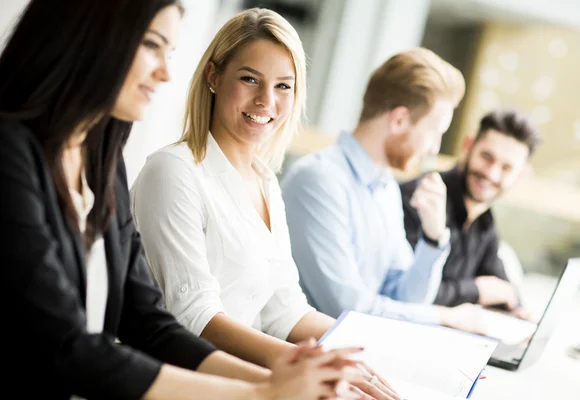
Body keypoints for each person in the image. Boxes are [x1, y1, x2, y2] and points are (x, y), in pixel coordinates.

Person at [0, 1, 363, 399]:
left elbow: (148, 321)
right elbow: (66, 347)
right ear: (89, 39)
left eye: (169, 53)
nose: (166, 72)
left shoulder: (102, 163)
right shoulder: (11, 153)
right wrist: (260, 392)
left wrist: (276, 380)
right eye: (152, 47)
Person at [131, 7, 397, 400]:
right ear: (214, 77)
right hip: (186, 384)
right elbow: (194, 317)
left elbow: (284, 308)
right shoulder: (173, 171)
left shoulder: (266, 181)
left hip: (246, 382)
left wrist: (379, 349)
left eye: (283, 86)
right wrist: (308, 368)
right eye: (249, 79)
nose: (265, 100)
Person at [281, 48, 483, 331]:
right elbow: (348, 308)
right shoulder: (318, 180)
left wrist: (433, 237)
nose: (434, 148)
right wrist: (444, 317)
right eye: (435, 132)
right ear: (399, 120)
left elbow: (406, 297)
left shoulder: (385, 188)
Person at [401, 109, 542, 313]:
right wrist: (477, 290)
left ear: (521, 175)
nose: (491, 173)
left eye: (506, 168)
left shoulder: (484, 221)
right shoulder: (420, 197)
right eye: (487, 157)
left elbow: (505, 289)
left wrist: (520, 311)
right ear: (468, 147)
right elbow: (408, 292)